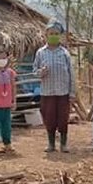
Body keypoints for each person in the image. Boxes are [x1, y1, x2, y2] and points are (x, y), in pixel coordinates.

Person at [34, 19, 76, 153]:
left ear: (60, 35)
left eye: (56, 33)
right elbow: (34, 71)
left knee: (63, 118)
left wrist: (72, 93)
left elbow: (71, 74)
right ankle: (51, 144)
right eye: (51, 33)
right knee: (49, 118)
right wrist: (41, 72)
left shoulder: (65, 53)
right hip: (47, 92)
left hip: (63, 92)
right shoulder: (40, 52)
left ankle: (63, 144)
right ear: (46, 34)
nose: (53, 35)